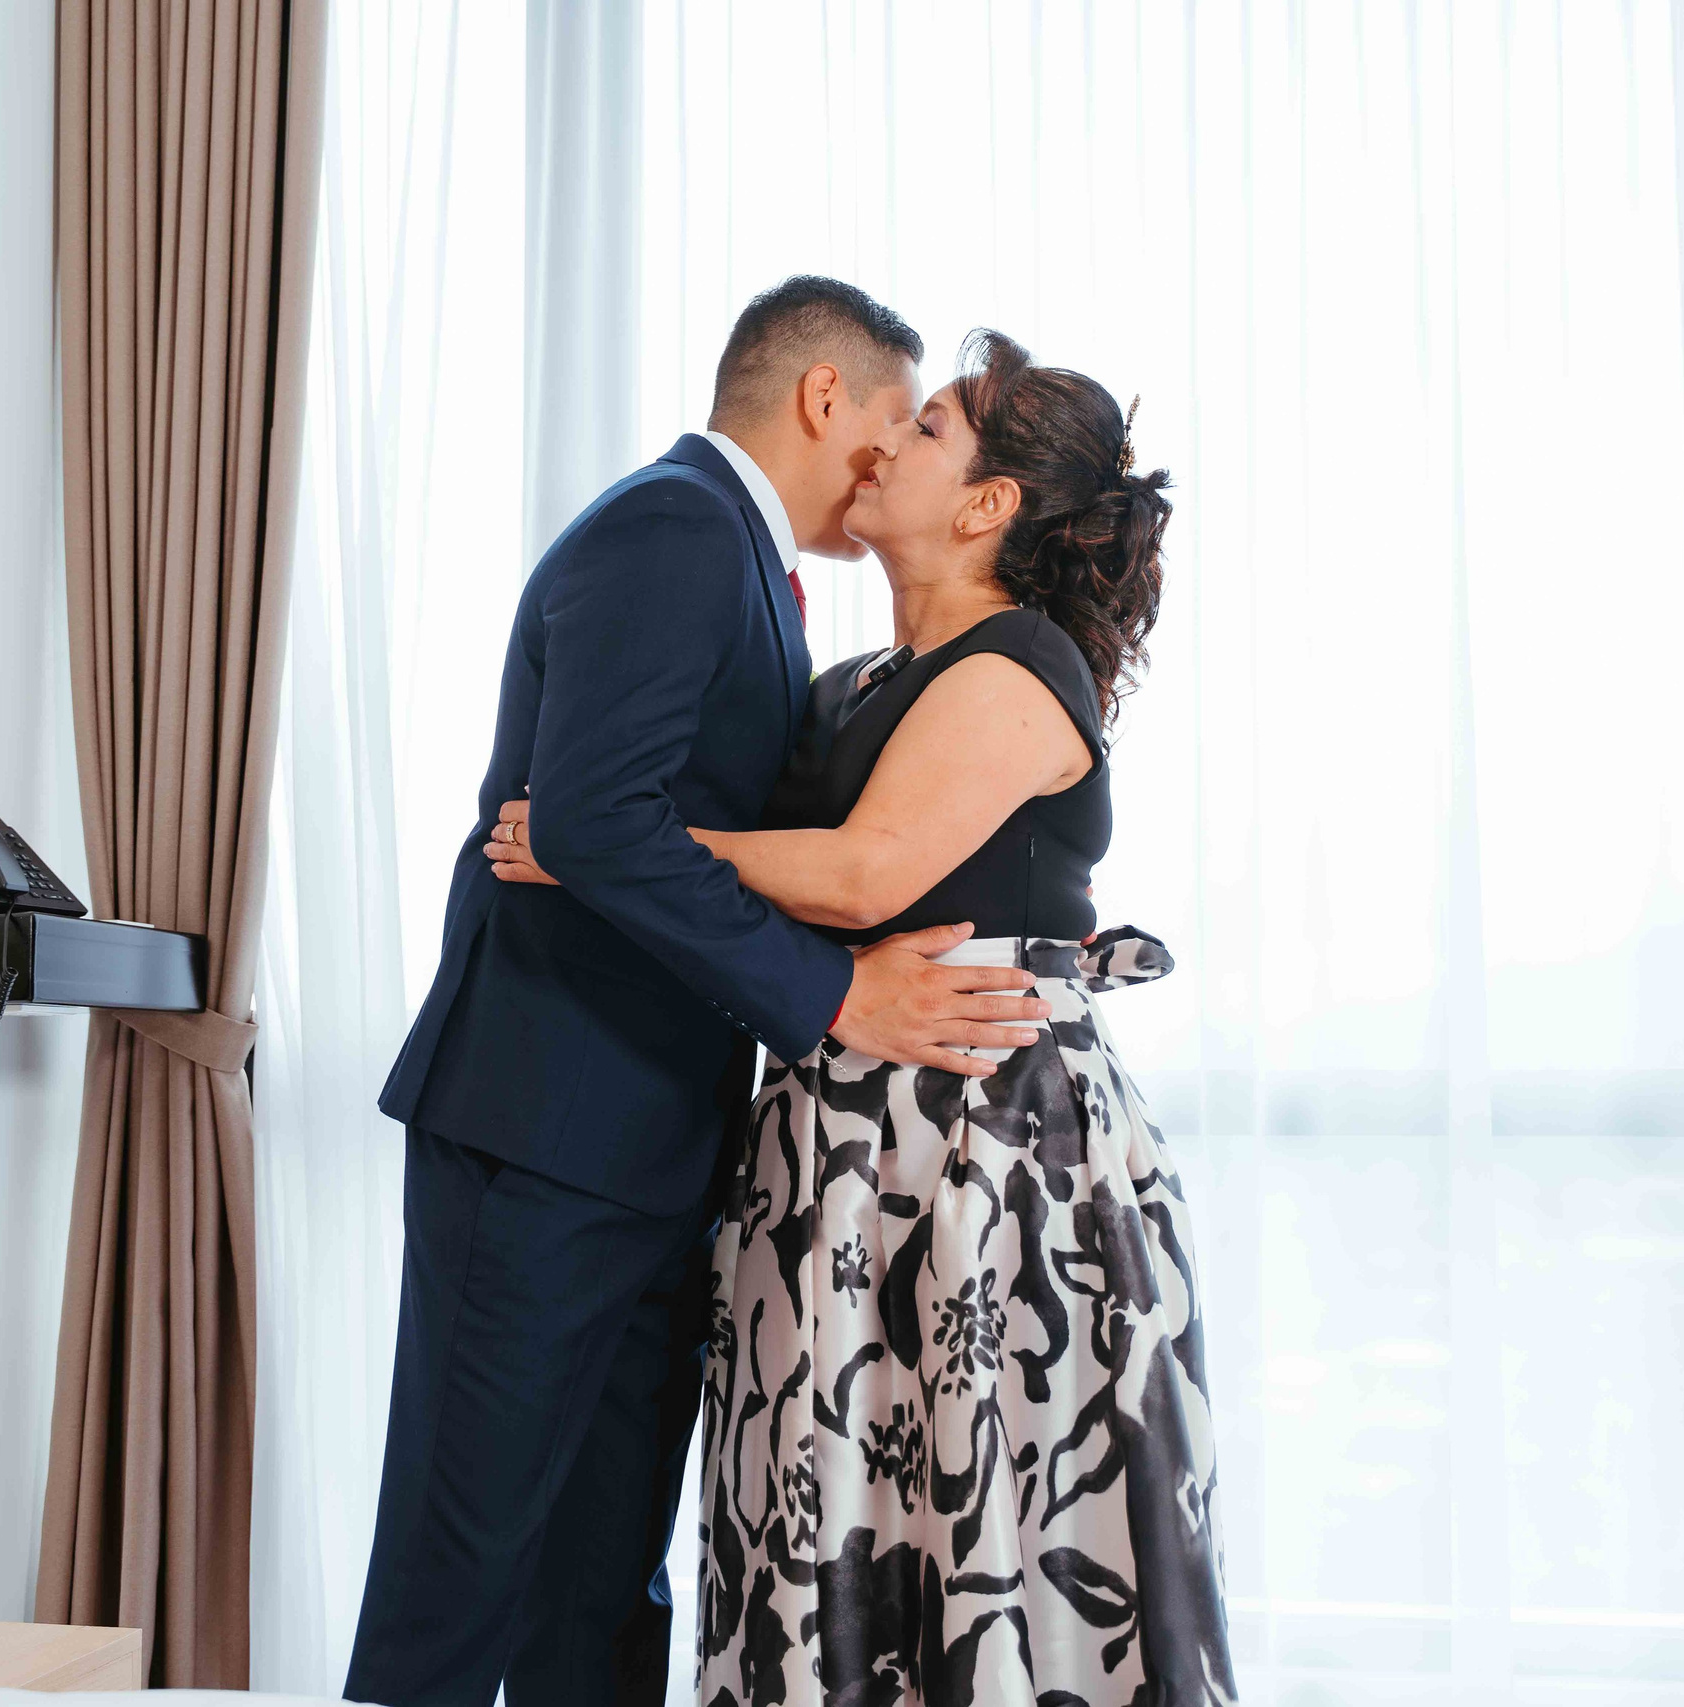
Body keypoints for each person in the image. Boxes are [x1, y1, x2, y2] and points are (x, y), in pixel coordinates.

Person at [487, 330, 1238, 1705]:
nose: (888, 441)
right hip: (834, 1155)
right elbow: (734, 892)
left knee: (996, 1491)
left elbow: (866, 873)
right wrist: (622, 835)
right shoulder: (847, 688)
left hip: (994, 1156)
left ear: (988, 506)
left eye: (935, 427)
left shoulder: (1019, 668)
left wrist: (595, 837)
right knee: (832, 1505)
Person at [346, 280, 1060, 1707]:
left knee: (605, 1581)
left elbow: (642, 833)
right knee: (464, 1571)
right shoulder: (676, 530)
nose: (889, 457)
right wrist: (836, 998)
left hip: (650, 1148)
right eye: (893, 420)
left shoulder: (753, 573)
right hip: (544, 1132)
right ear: (821, 402)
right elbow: (597, 821)